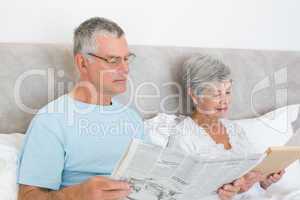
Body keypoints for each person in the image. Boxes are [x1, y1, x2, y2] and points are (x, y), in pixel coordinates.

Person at [17, 17, 142, 200]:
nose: (125, 69)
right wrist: (75, 194)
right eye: (114, 60)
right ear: (83, 63)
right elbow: (28, 196)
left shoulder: (133, 118)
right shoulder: (51, 121)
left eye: (126, 59)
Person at [146, 55, 285, 200]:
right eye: (216, 94)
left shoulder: (234, 129)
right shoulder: (184, 136)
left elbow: (251, 179)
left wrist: (263, 182)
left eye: (228, 92)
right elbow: (177, 193)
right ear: (194, 95)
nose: (225, 101)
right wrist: (230, 192)